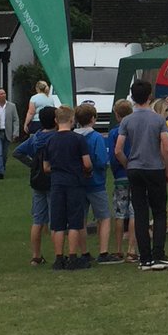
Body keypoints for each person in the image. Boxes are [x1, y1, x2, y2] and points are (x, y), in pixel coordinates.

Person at [114, 79, 168, 271]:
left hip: (135, 168)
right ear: (150, 96)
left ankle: (145, 258)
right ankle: (159, 254)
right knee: (159, 212)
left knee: (140, 213)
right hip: (154, 168)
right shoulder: (158, 120)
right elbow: (166, 147)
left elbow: (118, 150)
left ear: (132, 97)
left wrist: (128, 164)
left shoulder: (126, 120)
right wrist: (167, 170)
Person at [42, 106, 93, 271]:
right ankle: (72, 257)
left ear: (56, 121)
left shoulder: (50, 140)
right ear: (72, 120)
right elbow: (87, 163)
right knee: (74, 221)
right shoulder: (78, 139)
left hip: (57, 182)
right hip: (74, 182)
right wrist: (86, 171)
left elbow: (46, 167)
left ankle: (58, 258)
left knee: (57, 223)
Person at [14, 106, 57, 266]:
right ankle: (58, 254)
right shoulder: (56, 137)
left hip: (37, 180)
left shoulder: (35, 138)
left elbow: (17, 152)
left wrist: (33, 164)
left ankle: (36, 255)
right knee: (55, 220)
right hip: (53, 180)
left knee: (38, 220)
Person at [74, 103, 116, 264]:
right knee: (104, 217)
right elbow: (100, 160)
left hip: (78, 182)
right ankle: (103, 252)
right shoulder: (96, 137)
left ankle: (84, 252)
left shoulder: (73, 136)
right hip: (96, 182)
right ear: (93, 119)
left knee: (81, 219)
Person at [106, 99, 136, 262]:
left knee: (119, 213)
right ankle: (132, 249)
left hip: (120, 175)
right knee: (134, 212)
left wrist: (122, 165)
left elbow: (114, 154)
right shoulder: (134, 129)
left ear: (117, 115)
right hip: (136, 172)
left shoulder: (114, 133)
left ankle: (118, 249)